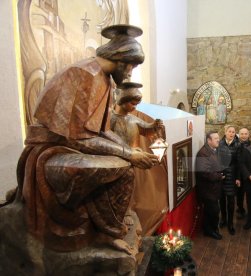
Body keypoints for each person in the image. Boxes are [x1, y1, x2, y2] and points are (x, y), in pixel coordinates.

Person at [14, 25, 159, 254]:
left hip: (73, 147)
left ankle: (110, 228)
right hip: (51, 150)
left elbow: (101, 131)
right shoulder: (84, 74)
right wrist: (129, 153)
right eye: (131, 65)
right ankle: (106, 233)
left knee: (126, 167)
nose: (131, 72)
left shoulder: (105, 80)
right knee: (121, 167)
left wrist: (132, 153)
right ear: (120, 59)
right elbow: (77, 139)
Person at [110, 82, 168, 236]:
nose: (135, 107)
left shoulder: (133, 119)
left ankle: (127, 211)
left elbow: (147, 128)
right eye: (132, 103)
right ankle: (117, 213)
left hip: (131, 160)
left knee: (129, 186)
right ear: (121, 100)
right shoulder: (110, 118)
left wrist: (155, 125)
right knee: (115, 187)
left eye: (137, 104)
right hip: (114, 158)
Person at [195, 131, 225, 240]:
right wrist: (219, 176)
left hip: (213, 189)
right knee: (212, 211)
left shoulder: (213, 150)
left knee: (213, 211)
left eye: (218, 138)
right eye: (215, 138)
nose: (218, 140)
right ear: (209, 140)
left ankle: (212, 228)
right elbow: (204, 173)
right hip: (208, 190)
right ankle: (209, 231)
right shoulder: (203, 153)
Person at [218, 125, 240, 235]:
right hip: (222, 176)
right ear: (225, 132)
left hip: (232, 176)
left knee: (231, 202)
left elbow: (239, 163)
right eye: (229, 131)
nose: (231, 133)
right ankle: (223, 219)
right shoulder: (219, 144)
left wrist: (238, 178)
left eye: (233, 132)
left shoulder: (238, 145)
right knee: (221, 200)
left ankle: (231, 223)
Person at [235, 127, 250, 218]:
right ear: (239, 135)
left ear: (248, 135)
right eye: (242, 134)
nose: (244, 136)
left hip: (248, 174)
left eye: (245, 134)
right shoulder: (235, 145)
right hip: (238, 174)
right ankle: (241, 209)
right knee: (239, 195)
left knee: (249, 195)